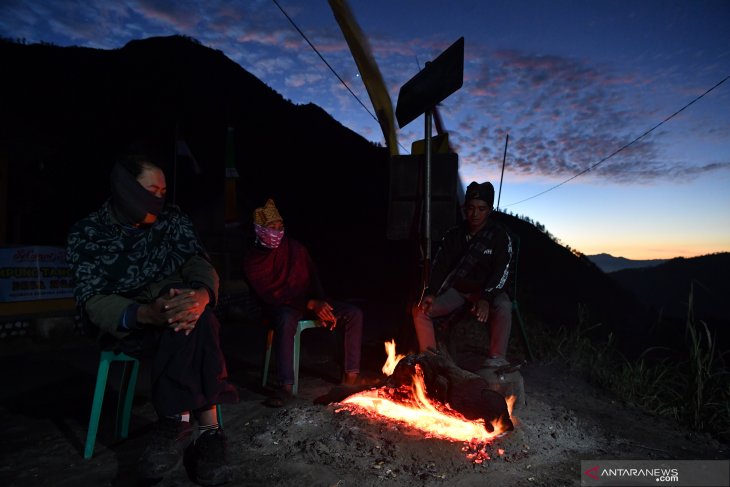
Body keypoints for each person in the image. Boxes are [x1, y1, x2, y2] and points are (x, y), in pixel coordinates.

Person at [66, 150, 238, 485]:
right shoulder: (87, 233)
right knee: (191, 320)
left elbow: (196, 261)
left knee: (191, 314)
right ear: (125, 188)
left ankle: (174, 422)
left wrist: (202, 295)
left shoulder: (172, 220)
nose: (158, 201)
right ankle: (208, 431)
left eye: (162, 193)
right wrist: (144, 313)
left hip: (176, 312)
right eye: (150, 192)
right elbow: (93, 300)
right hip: (127, 323)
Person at [242, 198, 364, 407]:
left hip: (309, 302)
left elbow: (314, 280)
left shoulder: (295, 248)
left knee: (354, 313)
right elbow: (272, 297)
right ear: (259, 230)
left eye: (280, 226)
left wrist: (322, 303)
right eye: (272, 227)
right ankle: (285, 387)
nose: (277, 231)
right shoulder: (252, 261)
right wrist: (311, 304)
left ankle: (350, 380)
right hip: (280, 308)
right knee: (286, 318)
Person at [412, 181, 513, 368]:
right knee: (420, 311)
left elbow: (502, 271)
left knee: (504, 306)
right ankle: (431, 362)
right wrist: (431, 291)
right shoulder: (454, 235)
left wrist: (486, 298)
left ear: (489, 210)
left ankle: (497, 362)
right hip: (458, 290)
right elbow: (439, 265)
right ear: (465, 208)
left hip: (487, 291)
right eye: (471, 208)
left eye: (481, 209)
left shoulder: (499, 236)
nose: (475, 214)